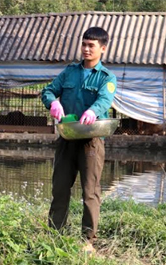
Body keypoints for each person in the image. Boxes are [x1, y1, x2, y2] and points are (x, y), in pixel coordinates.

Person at [41, 27, 117, 253]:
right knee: (60, 188)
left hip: (91, 141)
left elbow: (105, 99)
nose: (86, 49)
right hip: (67, 137)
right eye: (84, 44)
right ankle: (55, 234)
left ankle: (88, 240)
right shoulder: (69, 72)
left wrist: (94, 110)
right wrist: (52, 102)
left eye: (91, 45)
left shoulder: (107, 78)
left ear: (102, 48)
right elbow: (48, 91)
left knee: (90, 192)